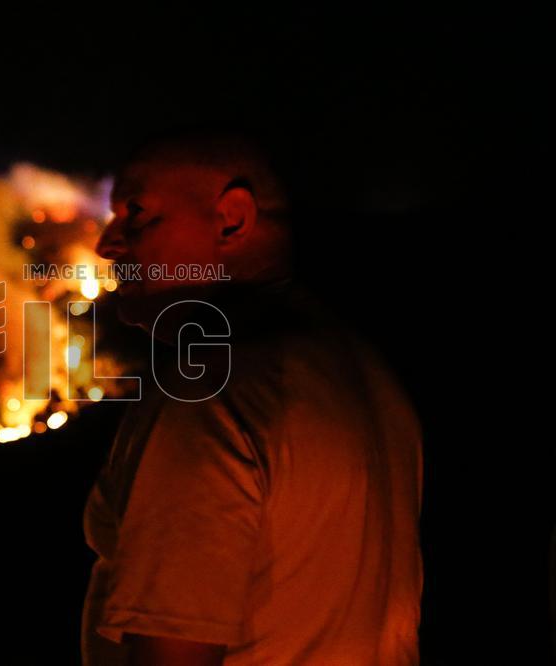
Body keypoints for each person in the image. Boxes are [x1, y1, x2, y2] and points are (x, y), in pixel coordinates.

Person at [82, 132, 423, 665]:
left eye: (137, 213)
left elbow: (175, 650)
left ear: (231, 220)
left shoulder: (211, 390)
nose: (107, 245)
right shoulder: (369, 376)